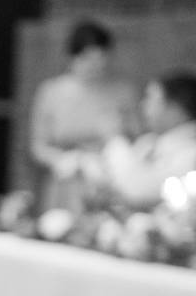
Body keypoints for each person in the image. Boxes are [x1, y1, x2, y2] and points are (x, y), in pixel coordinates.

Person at [29, 19, 139, 214]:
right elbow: (38, 146)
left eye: (102, 58)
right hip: (66, 180)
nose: (96, 66)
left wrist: (117, 136)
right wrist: (65, 160)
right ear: (73, 57)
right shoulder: (51, 92)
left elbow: (137, 137)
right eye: (89, 58)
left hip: (108, 179)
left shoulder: (122, 92)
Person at [92, 70, 196, 210]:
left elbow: (136, 189)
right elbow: (111, 179)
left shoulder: (190, 153)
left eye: (151, 99)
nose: (143, 106)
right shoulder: (150, 143)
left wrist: (115, 138)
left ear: (176, 108)